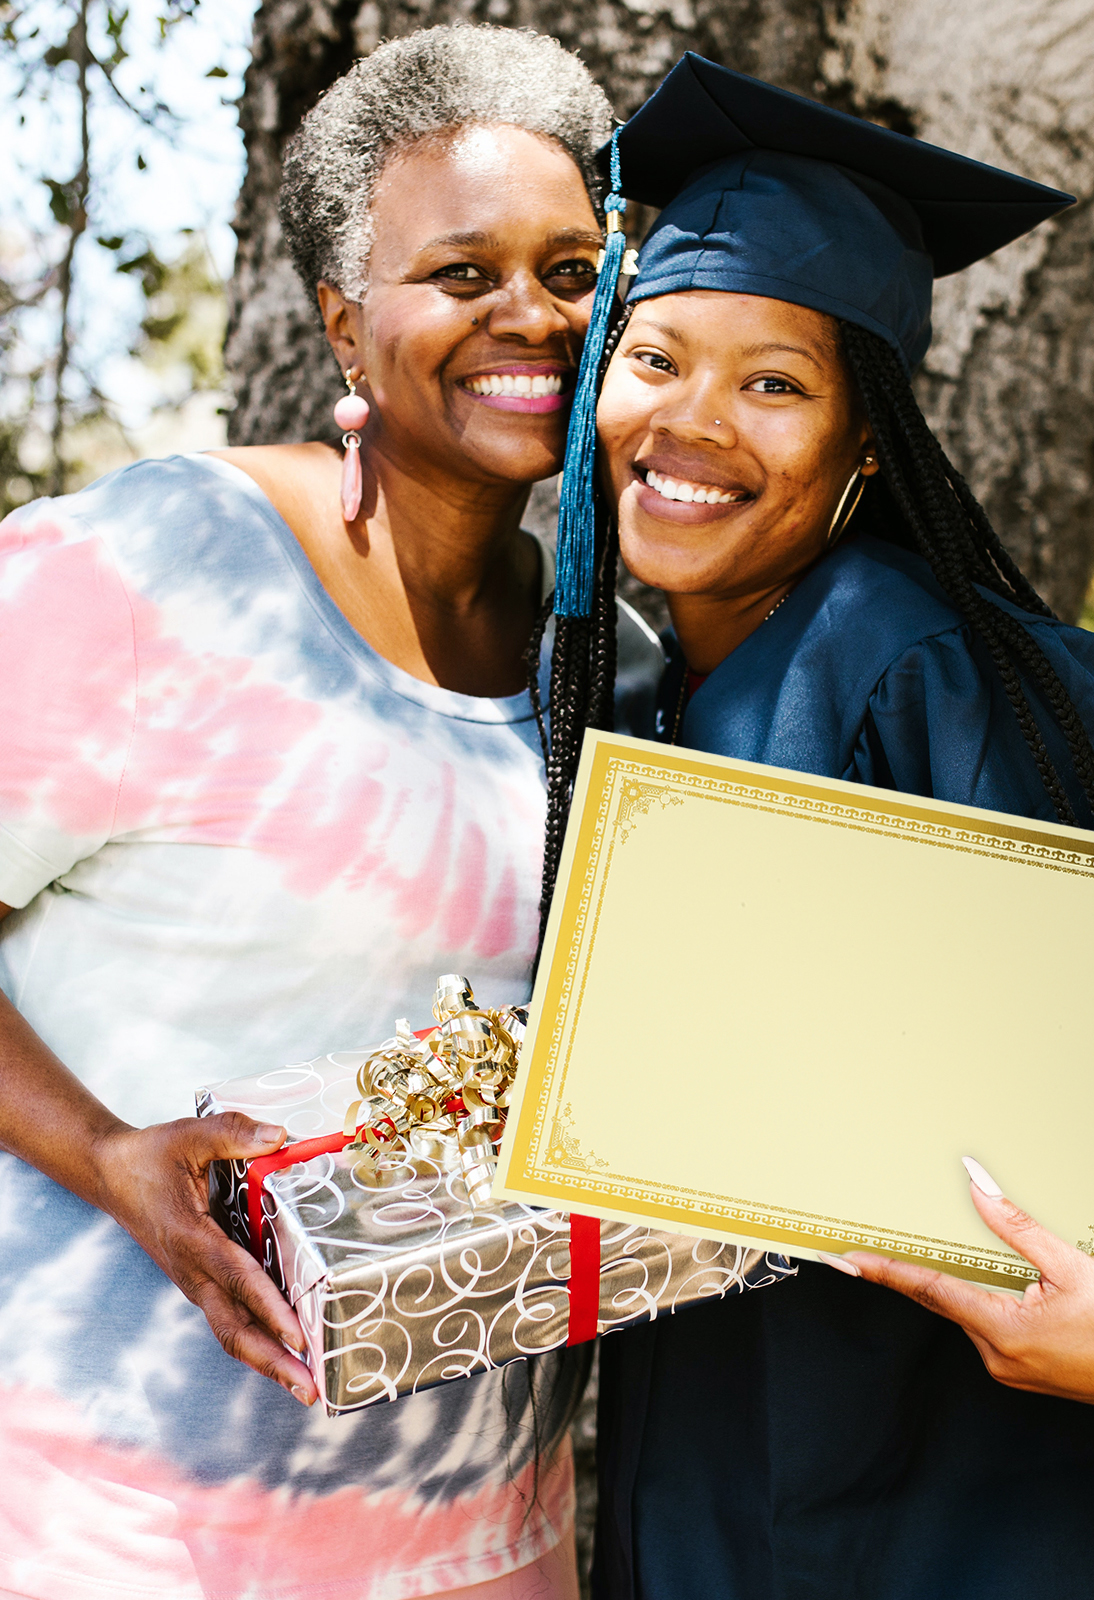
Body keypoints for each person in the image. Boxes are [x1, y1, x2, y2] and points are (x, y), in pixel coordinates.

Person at [537, 55, 1094, 1599]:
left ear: (866, 443)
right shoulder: (632, 702)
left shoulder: (939, 674)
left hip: (964, 1494)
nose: (693, 421)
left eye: (775, 383)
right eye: (657, 358)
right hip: (721, 1473)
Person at [0, 26, 661, 1600]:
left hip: (486, 1545)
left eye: (573, 273)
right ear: (343, 324)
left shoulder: (616, 667)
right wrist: (107, 1154)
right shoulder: (158, 571)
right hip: (113, 1534)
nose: (531, 316)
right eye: (462, 273)